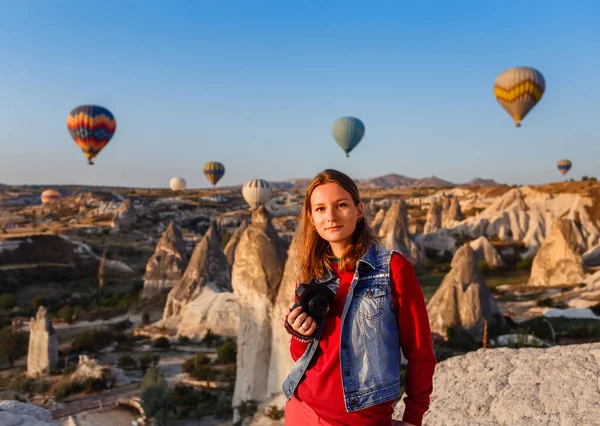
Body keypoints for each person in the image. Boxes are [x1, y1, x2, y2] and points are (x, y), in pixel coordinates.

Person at [282, 169, 436, 426]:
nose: (330, 216)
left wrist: (413, 416)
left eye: (341, 205)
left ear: (359, 210)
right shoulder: (312, 273)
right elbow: (301, 354)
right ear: (311, 217)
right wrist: (299, 332)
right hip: (302, 410)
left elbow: (420, 351)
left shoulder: (393, 269)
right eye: (320, 209)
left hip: (361, 418)